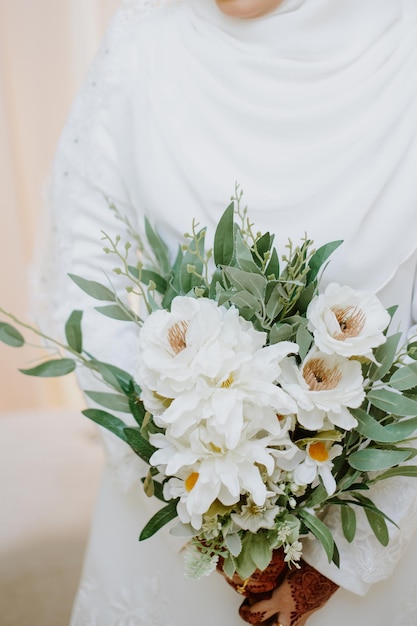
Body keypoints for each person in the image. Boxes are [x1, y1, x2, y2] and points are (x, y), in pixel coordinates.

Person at [33, 0, 417, 624]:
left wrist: (343, 558)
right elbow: (84, 270)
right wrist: (184, 469)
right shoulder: (143, 40)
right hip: (175, 502)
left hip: (376, 504)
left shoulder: (406, 44)